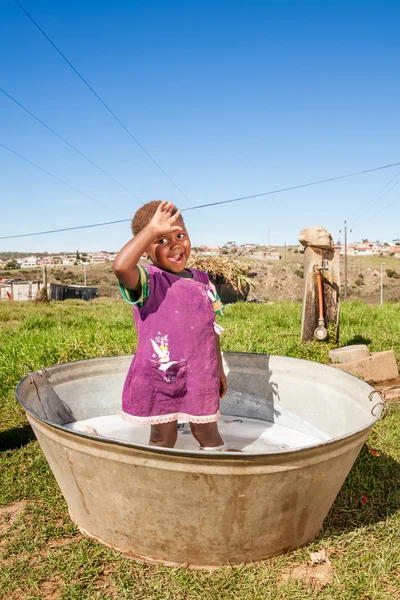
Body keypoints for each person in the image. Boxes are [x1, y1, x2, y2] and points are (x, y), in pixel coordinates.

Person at [113, 200, 227, 450]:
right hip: (162, 374)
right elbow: (121, 266)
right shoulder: (146, 280)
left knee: (207, 433)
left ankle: (219, 476)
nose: (175, 245)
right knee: (164, 438)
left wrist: (218, 368)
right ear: (145, 248)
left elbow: (212, 328)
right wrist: (152, 229)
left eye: (180, 235)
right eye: (161, 240)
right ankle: (160, 482)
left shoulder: (204, 280)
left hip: (200, 373)